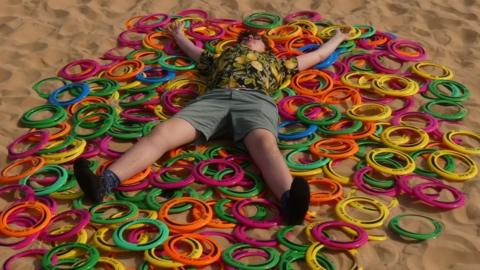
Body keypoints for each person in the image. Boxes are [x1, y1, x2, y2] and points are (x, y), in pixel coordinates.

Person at [74, 21, 350, 225]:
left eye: (256, 37)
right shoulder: (221, 58)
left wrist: (337, 37)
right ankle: (105, 183)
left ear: (266, 48)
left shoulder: (277, 64)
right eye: (246, 36)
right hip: (213, 100)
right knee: (162, 133)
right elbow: (193, 52)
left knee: (265, 145)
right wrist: (179, 34)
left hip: (254, 102)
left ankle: (290, 203)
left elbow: (317, 56)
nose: (251, 38)